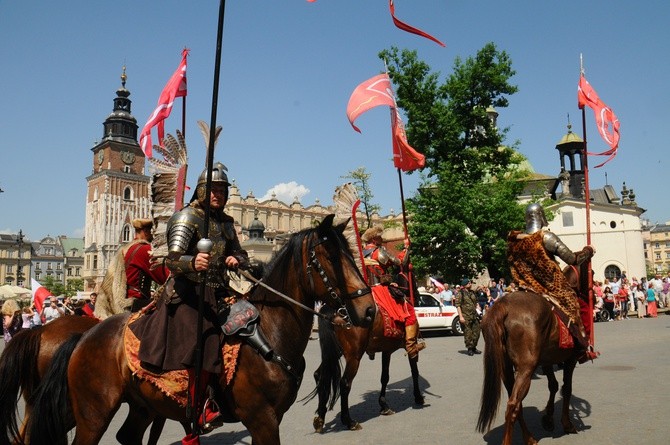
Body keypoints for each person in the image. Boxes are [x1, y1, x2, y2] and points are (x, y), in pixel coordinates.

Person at [130, 162, 263, 435]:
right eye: (213, 189)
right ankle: (199, 405)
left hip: (220, 290)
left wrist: (234, 259)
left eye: (222, 189)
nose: (218, 194)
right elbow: (172, 259)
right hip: (188, 293)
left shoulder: (226, 223)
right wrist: (193, 263)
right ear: (201, 190)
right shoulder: (186, 218)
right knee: (203, 338)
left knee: (253, 321)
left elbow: (242, 254)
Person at [506, 203, 596, 360]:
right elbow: (572, 259)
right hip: (548, 287)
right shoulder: (546, 237)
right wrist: (588, 251)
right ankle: (582, 346)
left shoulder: (514, 240)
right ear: (541, 217)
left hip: (523, 286)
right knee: (572, 303)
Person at [361, 227, 424, 359]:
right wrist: (406, 248)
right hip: (379, 288)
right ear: (373, 239)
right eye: (379, 237)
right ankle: (411, 346)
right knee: (408, 309)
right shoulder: (380, 251)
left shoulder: (361, 253)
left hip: (365, 288)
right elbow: (400, 262)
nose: (382, 239)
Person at [123, 219, 170, 312]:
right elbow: (163, 276)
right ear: (145, 231)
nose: (152, 235)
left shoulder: (128, 248)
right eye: (151, 231)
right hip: (137, 302)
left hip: (125, 300)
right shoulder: (144, 249)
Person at [455, 278, 481, 356]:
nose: (470, 284)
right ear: (465, 285)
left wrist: (478, 307)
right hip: (466, 316)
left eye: (470, 283)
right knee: (468, 333)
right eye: (469, 283)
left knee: (477, 332)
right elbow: (458, 306)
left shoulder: (472, 292)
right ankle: (470, 348)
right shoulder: (460, 293)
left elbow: (476, 302)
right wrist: (461, 317)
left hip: (474, 315)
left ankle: (474, 347)